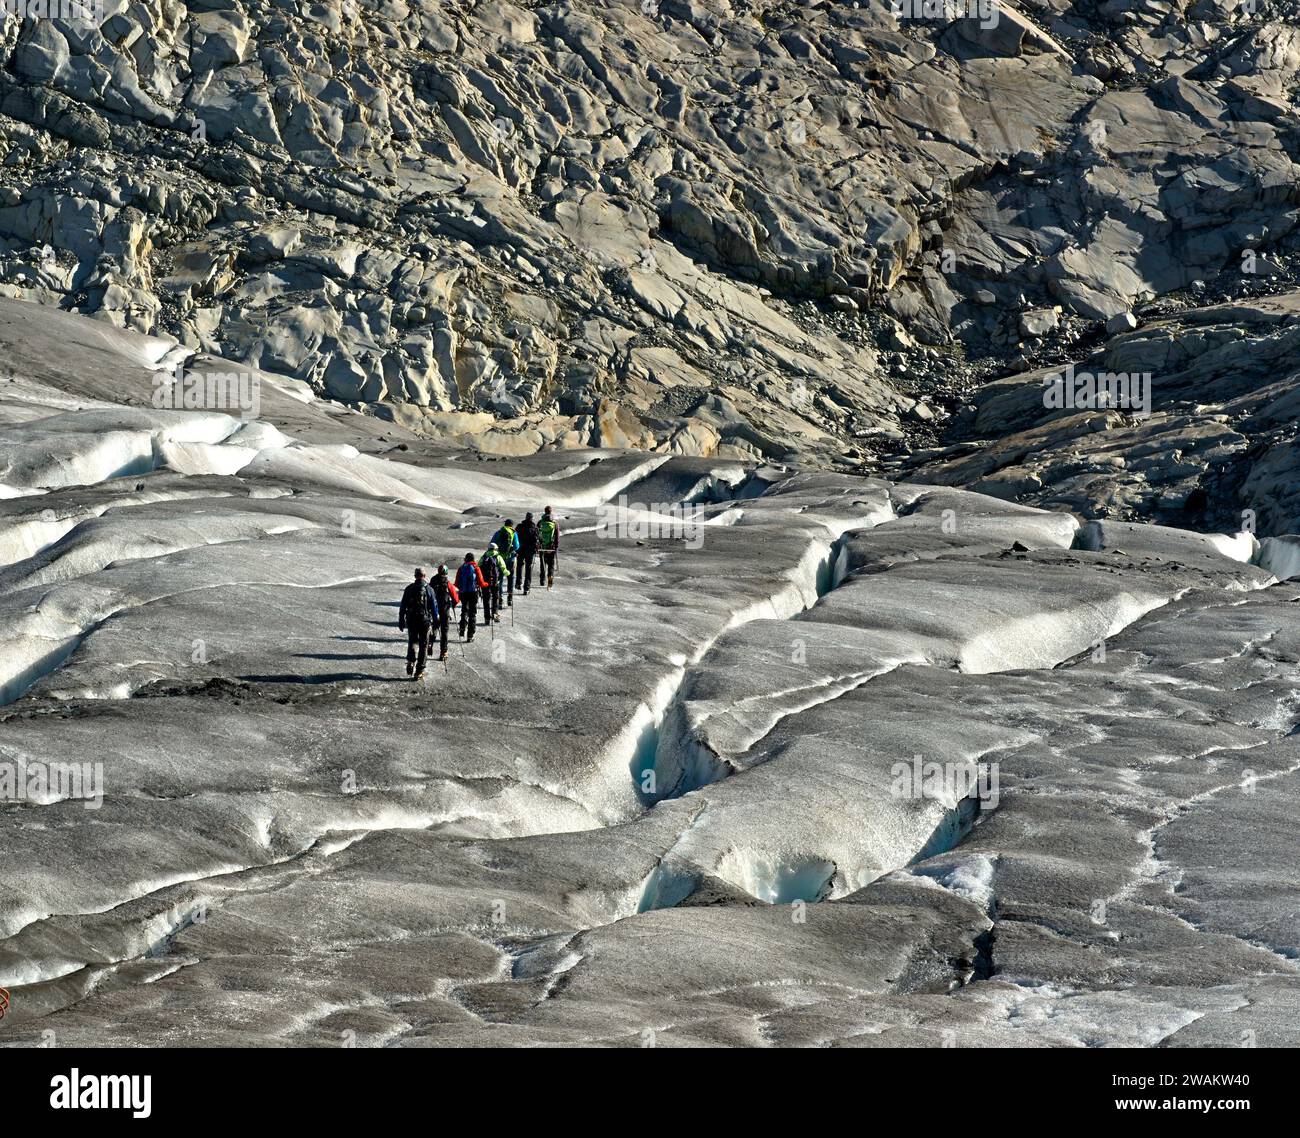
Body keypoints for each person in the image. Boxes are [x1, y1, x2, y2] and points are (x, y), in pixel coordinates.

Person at [397, 568, 440, 680]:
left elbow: (403, 606)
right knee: (423, 645)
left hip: (412, 620)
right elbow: (434, 608)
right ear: (424, 576)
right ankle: (419, 671)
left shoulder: (409, 589)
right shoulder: (429, 589)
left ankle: (411, 660)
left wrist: (401, 620)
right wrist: (436, 621)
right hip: (425, 621)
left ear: (415, 575)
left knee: (412, 640)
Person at [455, 553, 488, 642]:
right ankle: (470, 635)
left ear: (465, 559)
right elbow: (481, 583)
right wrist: (487, 584)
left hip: (463, 593)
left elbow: (456, 583)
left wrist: (462, 588)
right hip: (473, 593)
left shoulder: (461, 568)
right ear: (473, 559)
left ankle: (462, 627)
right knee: (472, 613)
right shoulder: (476, 568)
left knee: (464, 610)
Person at [431, 563, 458, 661]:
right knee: (444, 631)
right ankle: (443, 652)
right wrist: (453, 605)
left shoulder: (433, 581)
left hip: (434, 610)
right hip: (445, 610)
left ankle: (430, 643)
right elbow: (455, 598)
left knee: (434, 627)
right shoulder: (448, 583)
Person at [491, 519, 519, 606]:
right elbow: (517, 546)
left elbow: (492, 544)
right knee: (511, 578)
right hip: (510, 559)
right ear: (511, 525)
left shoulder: (498, 533)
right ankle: (510, 598)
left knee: (500, 579)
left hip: (499, 559)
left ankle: (500, 598)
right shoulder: (514, 533)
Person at [481, 541, 508, 622]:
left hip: (485, 581)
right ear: (495, 549)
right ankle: (495, 615)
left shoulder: (484, 556)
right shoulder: (498, 557)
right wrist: (508, 573)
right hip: (495, 580)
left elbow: (478, 566)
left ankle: (487, 618)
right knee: (495, 598)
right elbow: (503, 567)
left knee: (486, 599)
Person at [515, 511, 538, 594]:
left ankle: (518, 583)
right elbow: (537, 540)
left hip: (520, 549)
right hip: (530, 551)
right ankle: (526, 588)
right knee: (528, 568)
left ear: (526, 517)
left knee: (519, 566)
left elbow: (515, 536)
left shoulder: (519, 526)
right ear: (532, 518)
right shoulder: (534, 528)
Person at [538, 505, 560, 588]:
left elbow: (537, 534)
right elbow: (557, 536)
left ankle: (542, 581)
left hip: (542, 546)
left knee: (542, 564)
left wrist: (538, 545)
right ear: (551, 512)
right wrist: (556, 546)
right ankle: (550, 582)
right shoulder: (555, 523)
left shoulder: (540, 522)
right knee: (551, 565)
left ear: (545, 511)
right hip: (551, 547)